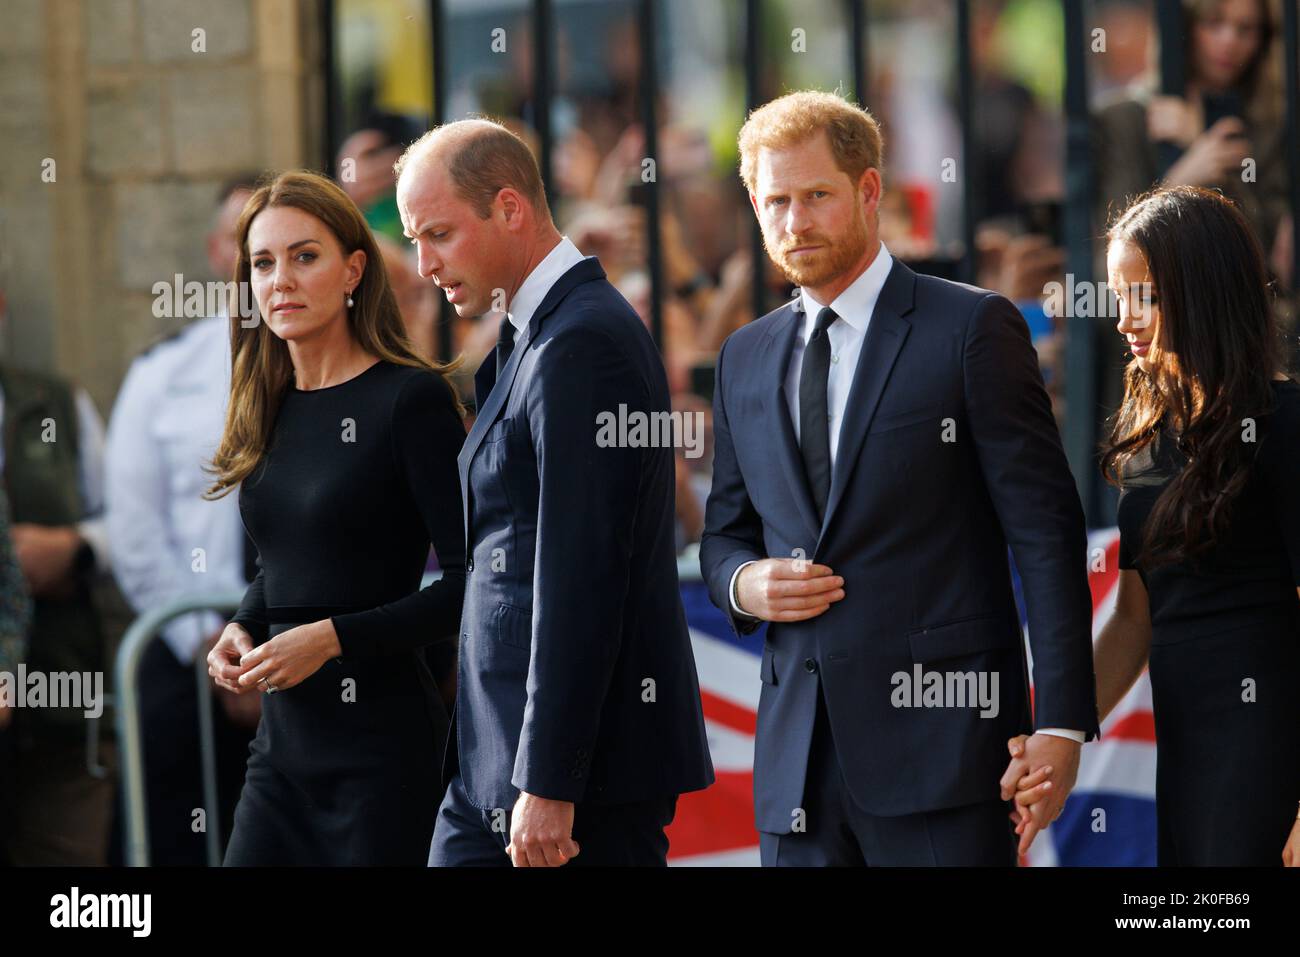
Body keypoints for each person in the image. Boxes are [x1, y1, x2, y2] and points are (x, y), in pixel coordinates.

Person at [699, 90, 1099, 866]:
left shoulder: (972, 328)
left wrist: (1061, 722)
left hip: (944, 759)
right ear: (754, 203)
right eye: (775, 200)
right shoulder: (744, 355)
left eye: (816, 195)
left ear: (869, 190)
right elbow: (723, 535)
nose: (795, 220)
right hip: (796, 773)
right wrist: (746, 583)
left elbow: (1046, 535)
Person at [397, 118, 714, 868]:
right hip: (498, 766)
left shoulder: (583, 342)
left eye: (438, 233)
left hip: (573, 785)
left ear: (509, 208)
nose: (423, 264)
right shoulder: (537, 331)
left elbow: (582, 575)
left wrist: (548, 779)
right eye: (415, 239)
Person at [1008, 186, 1300, 867]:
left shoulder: (1286, 426)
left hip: (1270, 756)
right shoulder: (1150, 444)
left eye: (1145, 295)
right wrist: (1057, 731)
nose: (1123, 319)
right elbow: (1135, 621)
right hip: (1191, 759)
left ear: (1205, 292)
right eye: (1117, 296)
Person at [204, 170, 467, 865]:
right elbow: (284, 560)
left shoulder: (410, 401)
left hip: (381, 753)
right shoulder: (267, 403)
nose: (281, 278)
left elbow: (475, 584)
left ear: (354, 269)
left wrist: (331, 638)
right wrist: (245, 623)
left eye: (304, 255)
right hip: (281, 755)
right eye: (263, 262)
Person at [105, 173, 263, 865]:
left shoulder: (346, 371)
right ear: (213, 250)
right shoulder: (162, 375)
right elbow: (134, 533)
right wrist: (214, 645)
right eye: (245, 244)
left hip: (315, 658)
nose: (263, 267)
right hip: (186, 659)